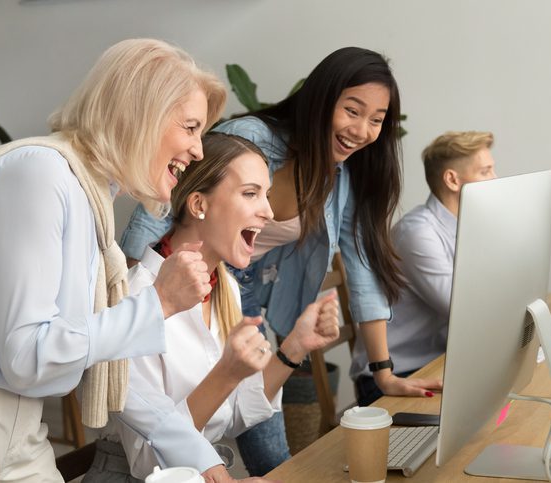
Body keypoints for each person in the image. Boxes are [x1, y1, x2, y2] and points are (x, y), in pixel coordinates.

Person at [118, 46, 442, 475]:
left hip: (236, 299)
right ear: (323, 99)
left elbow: (361, 266)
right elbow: (167, 198)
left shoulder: (339, 175)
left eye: (377, 120)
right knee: (204, 435)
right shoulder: (251, 139)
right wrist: (126, 303)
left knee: (270, 450)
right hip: (185, 285)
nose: (362, 130)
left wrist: (382, 373)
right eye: (352, 110)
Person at [0, 38, 228, 481]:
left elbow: (105, 361)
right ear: (142, 114)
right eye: (191, 127)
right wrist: (157, 303)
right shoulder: (40, 173)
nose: (198, 150)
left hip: (23, 430)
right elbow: (27, 355)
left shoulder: (90, 200)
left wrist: (200, 456)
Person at [84, 132, 340, 482]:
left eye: (265, 194)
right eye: (250, 194)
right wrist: (227, 373)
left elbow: (233, 413)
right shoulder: (136, 298)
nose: (267, 211)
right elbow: (148, 461)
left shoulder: (226, 289)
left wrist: (296, 346)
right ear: (199, 205)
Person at [350, 130, 497, 406]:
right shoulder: (417, 233)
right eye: (486, 171)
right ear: (452, 179)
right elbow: (466, 311)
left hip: (439, 364)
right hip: (396, 376)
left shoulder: (472, 226)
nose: (495, 180)